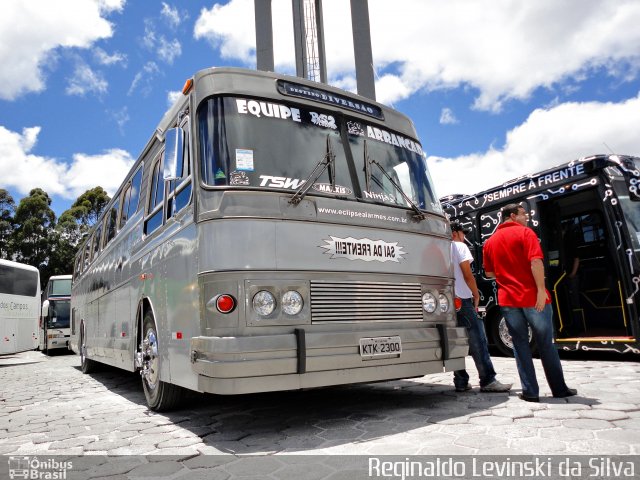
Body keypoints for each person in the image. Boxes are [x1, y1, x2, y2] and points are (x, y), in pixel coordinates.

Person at [483, 204, 577, 402]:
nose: (527, 217)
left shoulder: (489, 242)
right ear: (512, 216)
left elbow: (489, 273)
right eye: (524, 214)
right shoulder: (526, 233)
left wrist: (507, 272)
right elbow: (536, 261)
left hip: (508, 299)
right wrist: (541, 291)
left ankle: (530, 392)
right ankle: (559, 389)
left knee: (520, 344)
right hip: (533, 298)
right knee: (545, 344)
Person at [450, 221, 512, 393]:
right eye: (463, 233)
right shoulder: (459, 247)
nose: (465, 237)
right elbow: (467, 275)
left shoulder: (439, 248)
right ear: (455, 233)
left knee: (455, 341)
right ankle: (488, 379)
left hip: (446, 300)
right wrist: (476, 294)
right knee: (477, 338)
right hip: (462, 298)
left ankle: (461, 381)